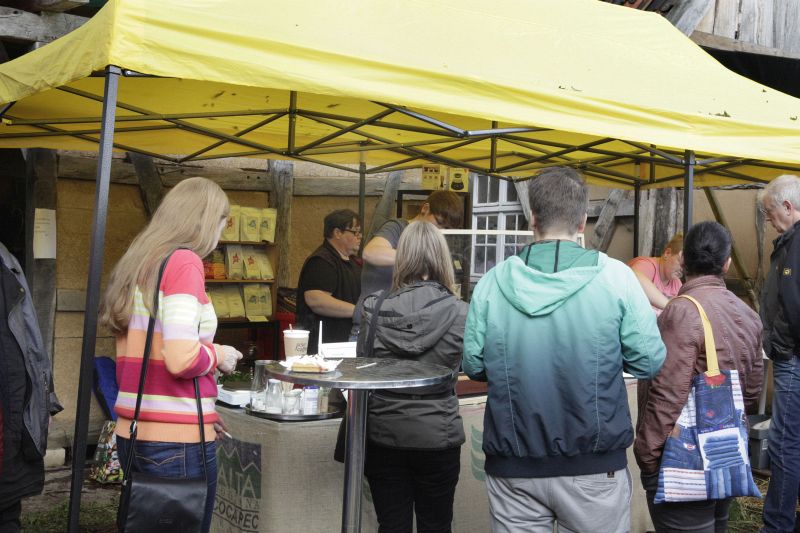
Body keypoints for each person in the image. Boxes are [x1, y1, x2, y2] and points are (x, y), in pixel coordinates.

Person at [462, 166, 666, 533]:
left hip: (514, 466)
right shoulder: (616, 278)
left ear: (532, 218)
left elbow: (474, 366)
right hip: (594, 466)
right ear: (582, 221)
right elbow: (649, 360)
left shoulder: (492, 282)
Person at [100, 177, 243, 533]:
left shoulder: (139, 263)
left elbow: (142, 361)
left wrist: (203, 412)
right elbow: (181, 359)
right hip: (175, 442)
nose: (221, 233)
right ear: (206, 220)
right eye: (223, 222)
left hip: (133, 430)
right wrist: (220, 354)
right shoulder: (184, 263)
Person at [634, 221, 763, 533]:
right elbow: (750, 391)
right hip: (727, 455)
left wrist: (647, 456)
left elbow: (667, 395)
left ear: (683, 259)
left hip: (684, 462)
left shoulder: (681, 311)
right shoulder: (749, 315)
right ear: (727, 263)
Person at [358, 221, 467, 533]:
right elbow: (473, 364)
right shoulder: (461, 311)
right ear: (442, 258)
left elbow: (362, 366)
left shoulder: (374, 308)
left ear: (403, 257)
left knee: (391, 525)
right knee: (437, 526)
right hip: (439, 433)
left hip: (384, 432)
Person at [0, 242, 62, 533]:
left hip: (9, 413)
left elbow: (31, 341)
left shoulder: (6, 262)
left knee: (6, 507)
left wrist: (44, 399)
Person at [353, 190, 463, 337]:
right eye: (439, 223)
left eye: (447, 229)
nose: (440, 231)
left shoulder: (433, 243)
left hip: (404, 331)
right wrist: (418, 258)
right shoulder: (396, 227)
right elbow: (371, 252)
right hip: (371, 327)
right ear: (425, 208)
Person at [758, 174, 800, 533]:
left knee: (784, 444)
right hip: (791, 355)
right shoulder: (790, 241)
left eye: (770, 212)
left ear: (788, 206)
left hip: (793, 359)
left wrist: (782, 345)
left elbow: (794, 302)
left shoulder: (796, 244)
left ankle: (777, 525)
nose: (769, 219)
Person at [296, 209, 362, 355]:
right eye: (355, 232)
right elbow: (316, 300)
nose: (360, 236)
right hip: (325, 348)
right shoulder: (322, 261)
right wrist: (358, 311)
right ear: (337, 233)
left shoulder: (353, 263)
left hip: (345, 345)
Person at [628, 233, 683, 313]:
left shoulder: (677, 284)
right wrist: (669, 306)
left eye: (686, 265)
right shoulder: (647, 265)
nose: (683, 269)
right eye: (680, 261)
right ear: (667, 253)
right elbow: (634, 280)